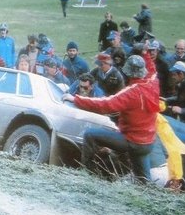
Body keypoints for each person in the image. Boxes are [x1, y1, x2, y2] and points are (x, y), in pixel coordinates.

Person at [62, 55, 160, 183]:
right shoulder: (153, 83)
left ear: (128, 73)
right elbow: (153, 71)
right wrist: (146, 54)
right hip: (147, 143)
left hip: (132, 141)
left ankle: (86, 174)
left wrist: (75, 99)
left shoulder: (131, 92)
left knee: (90, 135)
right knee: (143, 180)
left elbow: (105, 104)